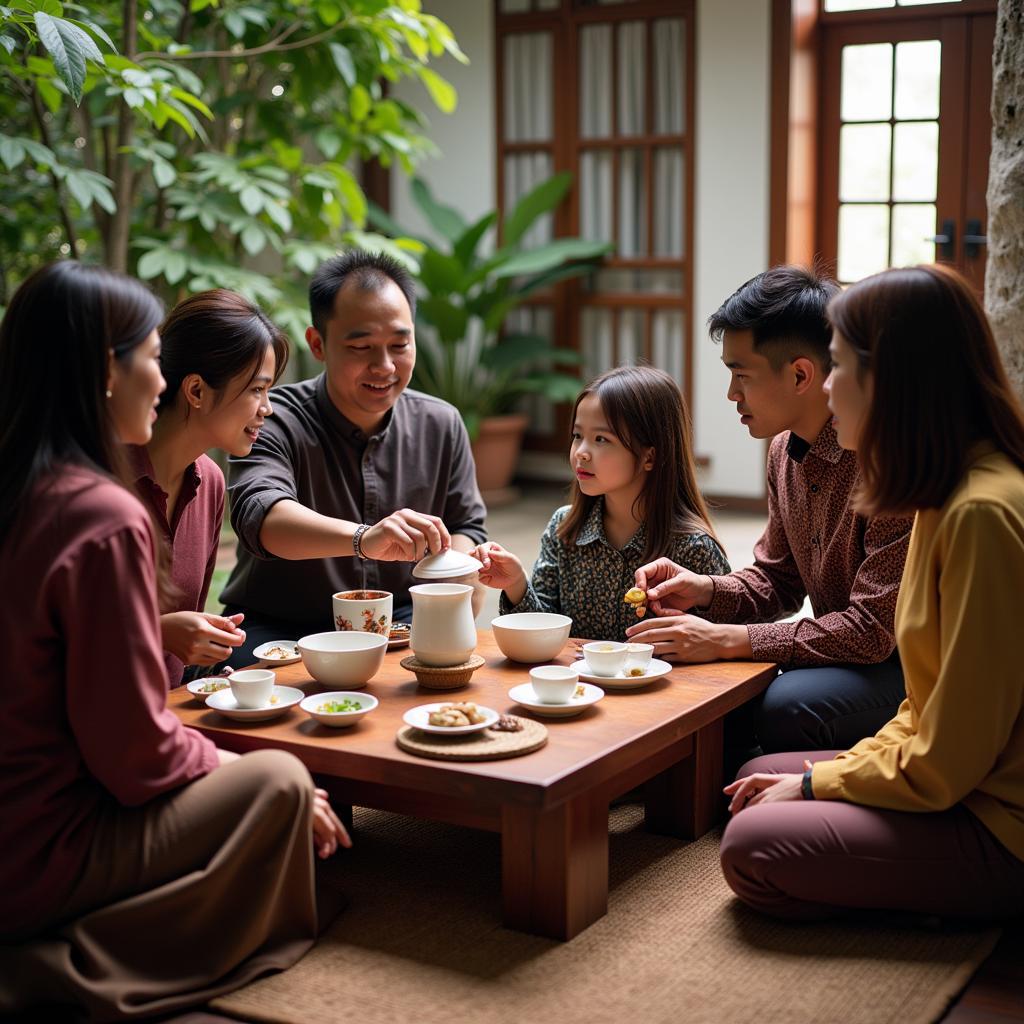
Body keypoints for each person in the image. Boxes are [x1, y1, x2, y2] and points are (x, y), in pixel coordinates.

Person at [0, 262, 349, 1019]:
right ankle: (66, 966)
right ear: (105, 372)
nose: (159, 381)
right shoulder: (102, 508)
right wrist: (236, 765)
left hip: (58, 784)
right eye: (151, 358)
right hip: (50, 830)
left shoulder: (34, 486)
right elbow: (129, 752)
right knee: (282, 783)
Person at [719, 264, 1024, 922]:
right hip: (956, 771)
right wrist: (816, 782)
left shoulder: (979, 513)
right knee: (752, 782)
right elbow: (928, 710)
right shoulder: (944, 492)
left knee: (751, 844)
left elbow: (950, 759)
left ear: (893, 383)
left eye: (837, 367)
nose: (827, 388)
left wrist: (812, 786)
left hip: (998, 817)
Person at [630, 266, 913, 754]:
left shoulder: (890, 462)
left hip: (908, 669)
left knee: (785, 703)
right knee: (714, 686)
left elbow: (872, 634)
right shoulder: (784, 450)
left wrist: (726, 639)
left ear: (802, 374)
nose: (731, 394)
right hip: (848, 657)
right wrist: (704, 590)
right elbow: (778, 581)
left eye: (741, 375)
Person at [221, 249, 487, 667]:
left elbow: (467, 527)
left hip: (401, 622)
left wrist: (454, 571)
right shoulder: (274, 418)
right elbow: (261, 518)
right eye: (361, 346)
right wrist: (366, 538)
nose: (384, 367)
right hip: (280, 627)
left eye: (400, 344)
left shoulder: (441, 422)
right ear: (318, 344)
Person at [472, 366, 729, 641]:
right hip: (578, 684)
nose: (581, 452)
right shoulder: (564, 529)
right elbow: (541, 632)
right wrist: (516, 583)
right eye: (577, 436)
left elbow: (723, 647)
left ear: (649, 457)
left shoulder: (694, 549)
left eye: (601, 439)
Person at [130, 289, 290, 686]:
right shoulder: (104, 477)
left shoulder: (211, 483)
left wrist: (208, 659)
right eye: (256, 389)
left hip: (172, 706)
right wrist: (161, 631)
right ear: (197, 391)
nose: (266, 408)